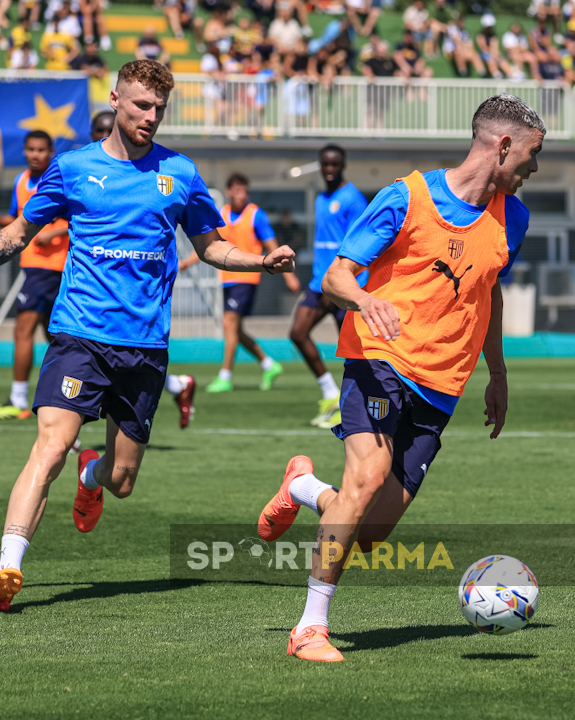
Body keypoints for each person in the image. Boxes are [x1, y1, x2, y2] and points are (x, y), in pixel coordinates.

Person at [0, 60, 296, 613]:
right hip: (79, 335)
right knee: (51, 446)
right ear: (115, 100)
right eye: (140, 106)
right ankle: (8, 567)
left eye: (159, 108)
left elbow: (210, 247)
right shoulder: (74, 168)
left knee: (122, 480)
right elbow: (19, 230)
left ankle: (93, 473)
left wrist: (261, 263)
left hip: (145, 346)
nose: (150, 117)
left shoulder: (179, 172)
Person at [256, 94, 538, 662]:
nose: (535, 168)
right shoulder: (404, 197)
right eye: (532, 154)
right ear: (502, 146)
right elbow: (335, 276)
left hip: (444, 384)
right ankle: (309, 628)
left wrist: (498, 373)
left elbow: (490, 288)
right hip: (378, 359)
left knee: (372, 531)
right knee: (367, 476)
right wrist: (365, 299)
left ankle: (302, 488)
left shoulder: (515, 216)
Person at [179, 173, 300, 393]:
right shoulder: (222, 214)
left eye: (244, 190)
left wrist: (289, 275)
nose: (241, 195)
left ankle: (225, 375)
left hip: (247, 278)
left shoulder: (256, 215)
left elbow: (272, 245)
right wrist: (186, 263)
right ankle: (268, 364)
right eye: (237, 190)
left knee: (229, 324)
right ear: (229, 192)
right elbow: (210, 245)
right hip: (226, 279)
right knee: (234, 328)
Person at [0, 132, 70, 420]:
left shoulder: (59, 179)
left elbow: (80, 219)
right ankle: (80, 393)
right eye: (31, 149)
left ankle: (18, 399)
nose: (35, 154)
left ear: (51, 151)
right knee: (58, 338)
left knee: (23, 330)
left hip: (52, 266)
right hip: (32, 265)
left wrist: (52, 233)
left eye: (41, 150)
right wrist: (0, 221)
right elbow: (22, 218)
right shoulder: (21, 181)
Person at [289, 145, 368, 429]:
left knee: (353, 354)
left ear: (343, 164)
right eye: (325, 164)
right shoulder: (321, 198)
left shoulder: (353, 199)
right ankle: (330, 393)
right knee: (297, 333)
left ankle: (352, 409)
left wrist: (341, 287)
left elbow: (358, 246)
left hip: (345, 285)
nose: (330, 169)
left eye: (335, 164)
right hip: (319, 283)